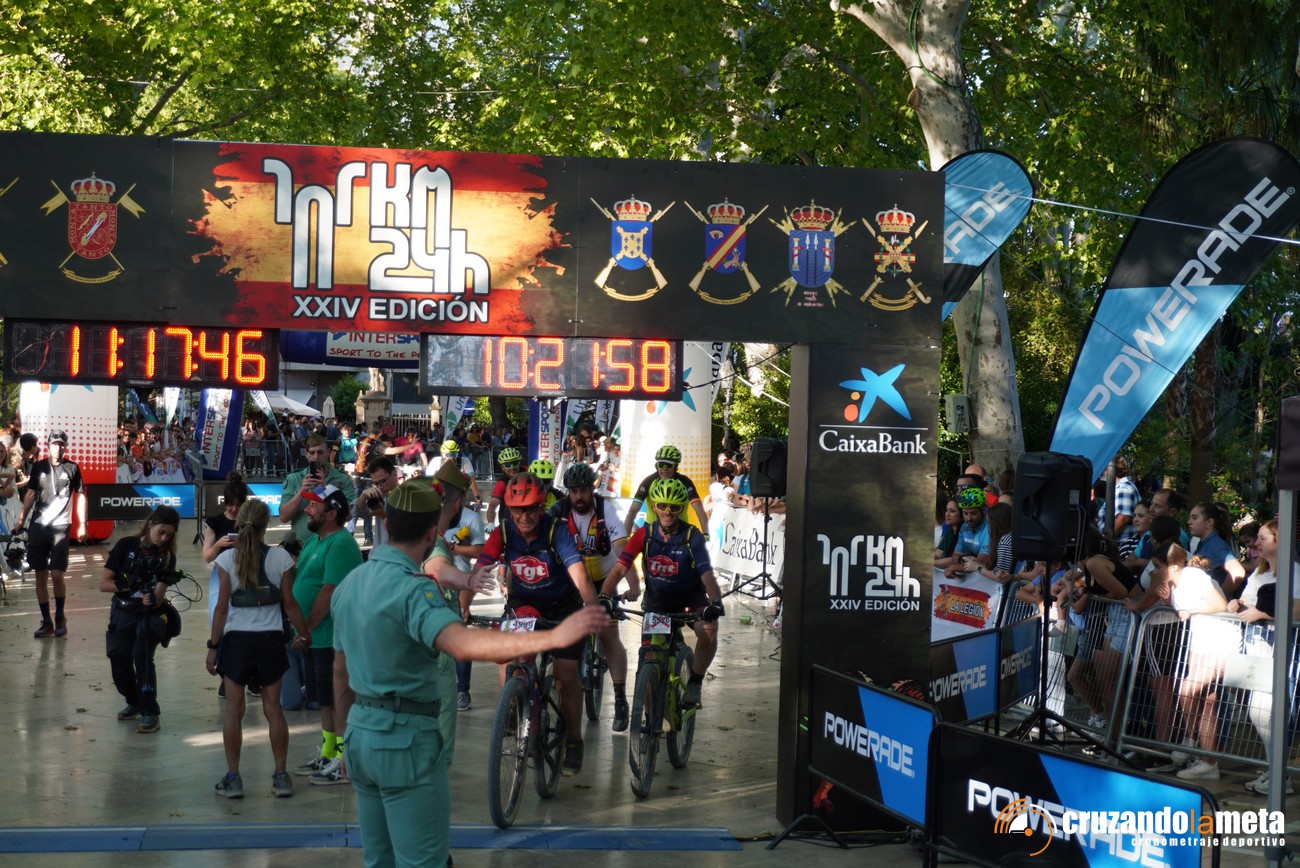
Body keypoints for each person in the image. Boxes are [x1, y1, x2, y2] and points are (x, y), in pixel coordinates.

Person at [332, 477, 606, 868]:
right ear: (433, 533)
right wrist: (554, 637)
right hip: (405, 742)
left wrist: (344, 742)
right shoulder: (415, 590)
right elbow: (461, 644)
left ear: (388, 523)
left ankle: (568, 735)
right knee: (422, 862)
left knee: (378, 859)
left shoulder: (350, 584)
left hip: (359, 736)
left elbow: (340, 674)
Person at [475, 472, 598, 774]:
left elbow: (579, 575)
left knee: (566, 676)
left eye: (531, 508)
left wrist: (592, 610)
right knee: (506, 653)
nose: (524, 516)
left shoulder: (557, 531)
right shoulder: (505, 531)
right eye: (517, 510)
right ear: (509, 510)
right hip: (524, 603)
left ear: (542, 507)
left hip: (562, 607)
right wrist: (463, 608)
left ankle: (574, 740)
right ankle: (513, 704)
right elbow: (480, 570)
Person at [601, 477, 725, 707]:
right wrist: (604, 596)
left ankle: (695, 683)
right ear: (654, 506)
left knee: (709, 630)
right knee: (649, 658)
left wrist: (716, 601)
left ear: (681, 509)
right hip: (657, 602)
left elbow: (706, 574)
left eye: (675, 507)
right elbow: (620, 568)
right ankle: (648, 718)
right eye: (662, 506)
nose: (668, 512)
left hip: (691, 600)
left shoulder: (692, 536)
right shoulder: (644, 534)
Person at [206, 499, 296, 799]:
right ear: (265, 525)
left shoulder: (226, 559)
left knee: (234, 710)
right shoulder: (280, 557)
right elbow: (289, 603)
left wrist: (213, 647)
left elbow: (221, 608)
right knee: (274, 709)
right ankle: (281, 777)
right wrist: (304, 632)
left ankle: (233, 778)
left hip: (236, 641)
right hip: (270, 640)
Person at [282, 483, 363, 786]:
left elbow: (329, 592)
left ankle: (345, 761)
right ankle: (329, 752)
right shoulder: (315, 540)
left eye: (314, 505)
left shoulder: (341, 544)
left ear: (331, 513)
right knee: (325, 700)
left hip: (330, 636)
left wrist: (306, 629)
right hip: (316, 637)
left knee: (340, 700)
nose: (307, 510)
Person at [550, 461, 633, 731]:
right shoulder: (558, 510)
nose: (578, 497)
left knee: (609, 636)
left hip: (603, 580)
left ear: (591, 489)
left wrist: (633, 584)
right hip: (570, 581)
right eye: (573, 491)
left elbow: (623, 550)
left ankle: (620, 699)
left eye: (583, 491)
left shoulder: (606, 510)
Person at [99, 505, 183, 734]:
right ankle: (134, 701)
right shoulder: (126, 545)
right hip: (123, 609)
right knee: (118, 657)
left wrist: (152, 597)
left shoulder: (167, 557)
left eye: (169, 535)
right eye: (161, 532)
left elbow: (158, 598)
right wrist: (128, 584)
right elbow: (104, 583)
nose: (163, 539)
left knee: (142, 655)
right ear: (150, 525)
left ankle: (150, 712)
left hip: (150, 614)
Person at [15, 430, 86, 638]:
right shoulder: (39, 467)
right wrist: (21, 521)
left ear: (66, 446)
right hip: (39, 525)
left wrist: (82, 524)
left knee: (56, 574)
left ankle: (60, 616)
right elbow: (31, 493)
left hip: (61, 527)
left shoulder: (72, 468)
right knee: (40, 574)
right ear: (48, 446)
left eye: (62, 444)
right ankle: (47, 622)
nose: (59, 448)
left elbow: (81, 495)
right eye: (55, 444)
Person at [429, 462, 486, 711]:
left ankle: (463, 690)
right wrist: (469, 581)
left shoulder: (423, 530)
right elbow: (438, 568)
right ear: (458, 503)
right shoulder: (432, 538)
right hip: (437, 627)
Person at [279, 434, 355, 547]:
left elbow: (348, 516)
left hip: (331, 545)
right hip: (300, 547)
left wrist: (324, 490)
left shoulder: (343, 480)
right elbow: (284, 517)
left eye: (320, 452)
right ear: (306, 454)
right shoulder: (294, 479)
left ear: (328, 453)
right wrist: (302, 492)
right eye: (312, 452)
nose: (316, 457)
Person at [623, 444, 709, 535]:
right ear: (656, 466)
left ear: (676, 466)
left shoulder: (685, 482)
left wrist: (707, 535)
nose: (664, 468)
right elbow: (633, 510)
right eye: (661, 464)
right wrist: (625, 537)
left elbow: (699, 510)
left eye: (668, 465)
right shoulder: (648, 481)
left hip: (679, 530)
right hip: (652, 530)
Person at [1187, 501, 1246, 596]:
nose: (1189, 522)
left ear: (1209, 522)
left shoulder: (1216, 545)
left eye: (1194, 518)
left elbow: (1237, 572)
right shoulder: (1205, 542)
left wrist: (1221, 596)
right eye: (1189, 518)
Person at [353, 457, 400, 549]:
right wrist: (363, 497)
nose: (380, 487)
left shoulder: (408, 497)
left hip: (397, 554)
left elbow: (406, 533)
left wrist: (383, 515)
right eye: (376, 483)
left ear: (394, 473)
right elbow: (354, 513)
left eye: (383, 481)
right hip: (377, 552)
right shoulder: (379, 496)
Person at [484, 445, 523, 526]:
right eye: (507, 465)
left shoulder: (528, 472)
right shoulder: (502, 483)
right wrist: (491, 523)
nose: (512, 468)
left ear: (520, 463)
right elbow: (493, 505)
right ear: (502, 468)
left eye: (515, 463)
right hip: (509, 523)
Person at [933, 495, 961, 562]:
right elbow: (938, 554)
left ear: (962, 514)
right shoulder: (949, 532)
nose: (947, 514)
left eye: (952, 511)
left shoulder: (963, 533)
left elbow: (954, 560)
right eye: (946, 510)